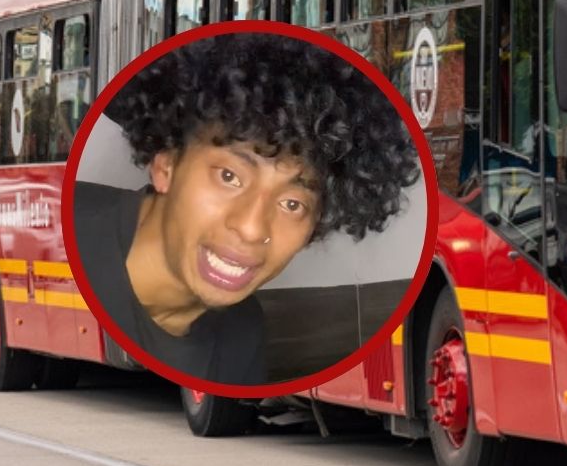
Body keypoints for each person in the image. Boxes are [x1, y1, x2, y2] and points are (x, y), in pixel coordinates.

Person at [73, 31, 420, 386]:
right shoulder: (68, 238)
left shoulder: (242, 334)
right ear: (165, 167)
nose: (253, 228)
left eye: (292, 204)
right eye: (229, 176)